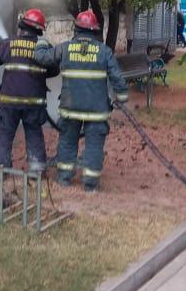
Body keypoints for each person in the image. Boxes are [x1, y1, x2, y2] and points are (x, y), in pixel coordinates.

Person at [34, 10, 129, 191]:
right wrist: (122, 97)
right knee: (94, 145)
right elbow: (117, 77)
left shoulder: (65, 48)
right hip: (97, 110)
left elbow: (42, 58)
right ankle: (90, 184)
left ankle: (64, 178)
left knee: (67, 142)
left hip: (71, 109)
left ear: (76, 29)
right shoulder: (104, 52)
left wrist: (41, 43)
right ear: (94, 31)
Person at [0, 8, 59, 173]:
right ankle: (36, 170)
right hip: (33, 103)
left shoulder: (9, 43)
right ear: (39, 30)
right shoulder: (44, 48)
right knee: (34, 134)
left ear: (22, 26)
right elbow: (54, 70)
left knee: (4, 136)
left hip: (9, 102)